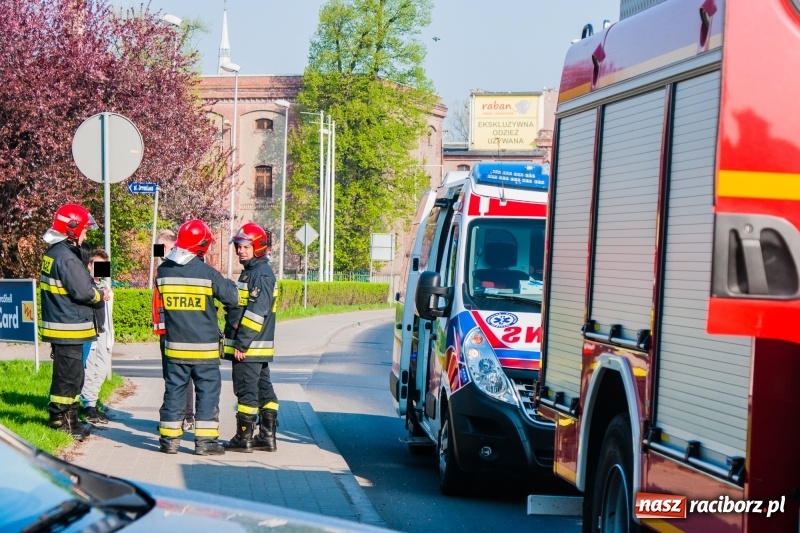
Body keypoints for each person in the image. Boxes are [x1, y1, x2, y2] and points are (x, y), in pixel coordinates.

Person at [155, 219, 239, 455]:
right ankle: (206, 443)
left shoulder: (162, 272)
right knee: (207, 393)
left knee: (174, 392)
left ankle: (169, 442)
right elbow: (232, 297)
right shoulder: (208, 273)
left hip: (174, 348)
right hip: (203, 349)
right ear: (201, 245)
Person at [39, 204, 109, 440]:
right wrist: (100, 295)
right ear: (72, 230)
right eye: (84, 231)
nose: (86, 235)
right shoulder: (67, 259)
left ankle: (69, 418)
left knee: (71, 376)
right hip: (69, 327)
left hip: (64, 325)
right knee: (69, 378)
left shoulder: (55, 253)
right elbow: (84, 292)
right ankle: (62, 422)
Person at [223, 223, 280, 453]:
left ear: (258, 247)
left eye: (245, 247)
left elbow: (257, 312)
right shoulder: (253, 271)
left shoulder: (259, 274)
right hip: (257, 347)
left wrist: (242, 342)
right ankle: (266, 437)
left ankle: (243, 438)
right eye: (238, 246)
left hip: (250, 347)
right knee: (263, 389)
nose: (240, 251)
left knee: (246, 390)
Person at [153, 229, 196, 432]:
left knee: (180, 376)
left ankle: (186, 416)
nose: (159, 252)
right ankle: (177, 414)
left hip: (174, 330)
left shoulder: (175, 269)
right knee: (171, 375)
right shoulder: (164, 268)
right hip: (165, 330)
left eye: (162, 247)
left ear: (172, 247)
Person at [80, 248, 114, 425]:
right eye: (99, 265)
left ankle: (92, 403)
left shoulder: (106, 286)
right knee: (90, 369)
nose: (102, 269)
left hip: (104, 332)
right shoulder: (86, 285)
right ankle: (88, 406)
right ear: (90, 265)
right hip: (91, 332)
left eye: (105, 266)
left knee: (102, 368)